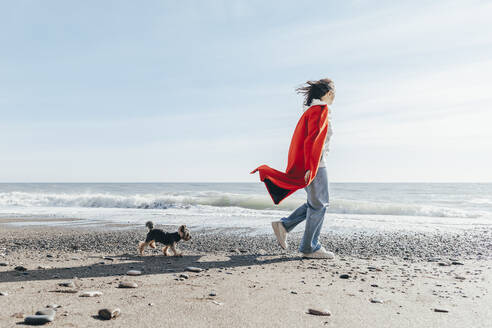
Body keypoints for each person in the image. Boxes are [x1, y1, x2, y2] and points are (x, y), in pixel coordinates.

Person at [251, 78, 335, 259]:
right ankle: (309, 247)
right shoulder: (320, 110)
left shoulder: (310, 111)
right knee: (320, 205)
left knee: (315, 204)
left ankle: (284, 226)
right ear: (327, 94)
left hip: (311, 164)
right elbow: (312, 141)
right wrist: (310, 168)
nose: (333, 97)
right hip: (316, 165)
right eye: (332, 94)